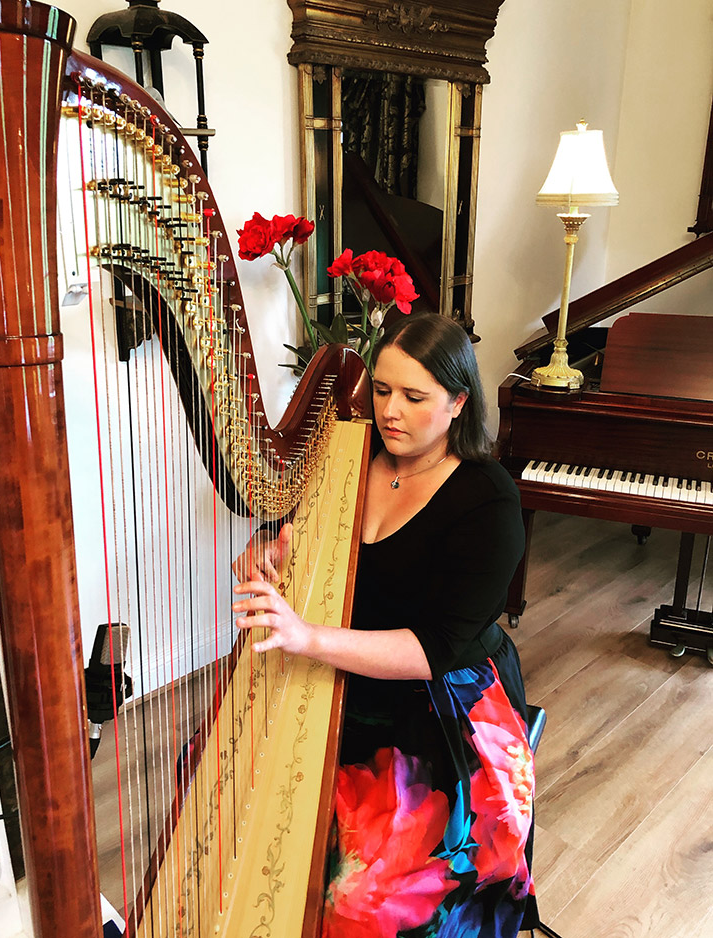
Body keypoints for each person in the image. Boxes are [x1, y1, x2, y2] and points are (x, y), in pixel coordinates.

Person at [232, 313, 538, 938]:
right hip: (342, 678)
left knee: (361, 888)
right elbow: (292, 528)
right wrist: (266, 545)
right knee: (237, 812)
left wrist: (308, 638)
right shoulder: (351, 454)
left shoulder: (489, 499)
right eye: (382, 390)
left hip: (438, 703)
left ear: (458, 403)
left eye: (414, 396)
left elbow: (435, 649)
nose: (390, 411)